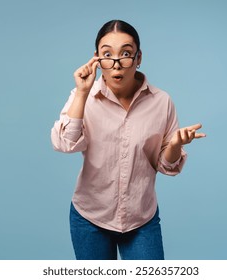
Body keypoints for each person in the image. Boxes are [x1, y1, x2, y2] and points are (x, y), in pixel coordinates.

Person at [51, 19, 206, 260]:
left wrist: (174, 145)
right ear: (96, 59)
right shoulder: (83, 97)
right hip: (90, 218)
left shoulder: (161, 102)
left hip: (141, 219)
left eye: (125, 53)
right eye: (107, 55)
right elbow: (65, 144)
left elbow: (166, 165)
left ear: (138, 58)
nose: (116, 64)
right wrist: (82, 93)